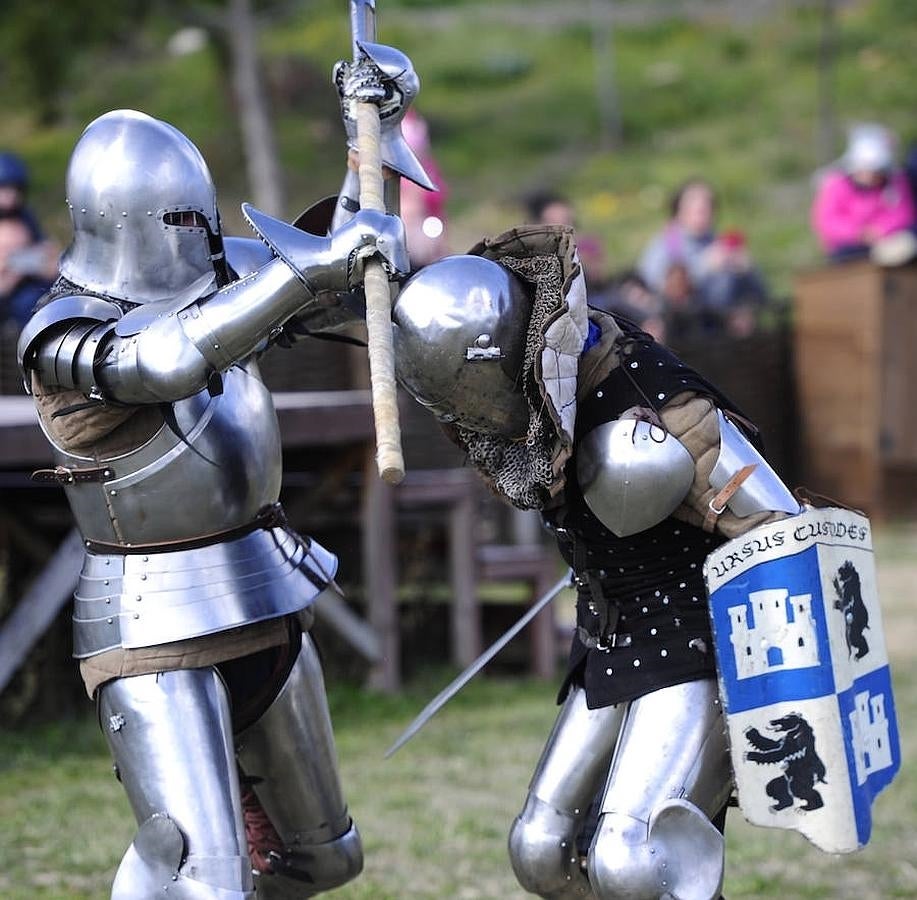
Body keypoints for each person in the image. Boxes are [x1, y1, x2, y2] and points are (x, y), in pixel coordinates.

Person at [15, 38, 424, 899]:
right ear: (120, 221)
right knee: (207, 879)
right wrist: (297, 277)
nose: (200, 240)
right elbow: (164, 363)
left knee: (324, 858)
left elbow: (343, 275)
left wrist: (371, 139)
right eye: (178, 222)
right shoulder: (58, 332)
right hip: (150, 623)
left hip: (259, 590)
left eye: (201, 220)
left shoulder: (213, 282)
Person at [391, 224, 806, 900]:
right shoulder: (546, 400)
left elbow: (777, 529)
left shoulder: (658, 394)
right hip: (609, 639)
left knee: (633, 861)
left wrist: (761, 687)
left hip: (693, 640)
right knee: (542, 851)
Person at [637, 179, 769, 335]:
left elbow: (762, 296)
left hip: (725, 333)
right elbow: (655, 289)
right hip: (684, 332)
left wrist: (747, 269)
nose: (702, 208)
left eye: (708, 205)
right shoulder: (664, 246)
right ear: (679, 209)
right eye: (694, 203)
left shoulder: (720, 243)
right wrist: (703, 266)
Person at [811, 123, 917, 265]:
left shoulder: (895, 183)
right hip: (849, 246)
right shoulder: (836, 184)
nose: (870, 176)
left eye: (876, 171)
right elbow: (828, 220)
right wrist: (858, 233)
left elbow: (903, 213)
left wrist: (881, 230)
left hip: (888, 242)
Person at [0, 151, 59, 329]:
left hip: (31, 288)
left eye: (15, 189)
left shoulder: (25, 217)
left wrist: (43, 258)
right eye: (4, 189)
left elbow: (48, 258)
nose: (11, 197)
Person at [399, 107, 449, 268]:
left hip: (430, 229)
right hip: (407, 234)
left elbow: (437, 200)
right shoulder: (394, 176)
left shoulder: (428, 169)